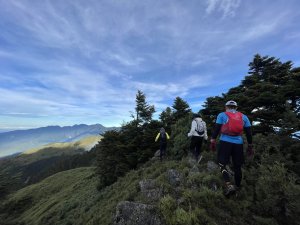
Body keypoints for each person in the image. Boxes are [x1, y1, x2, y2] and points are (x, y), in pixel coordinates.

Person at [210, 100, 253, 196]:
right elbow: (249, 133)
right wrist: (250, 145)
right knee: (237, 166)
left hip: (225, 142)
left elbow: (217, 129)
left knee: (222, 163)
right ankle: (237, 187)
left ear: (226, 107)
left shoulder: (222, 115)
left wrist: (212, 140)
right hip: (238, 144)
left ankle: (229, 185)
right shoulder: (244, 117)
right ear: (236, 108)